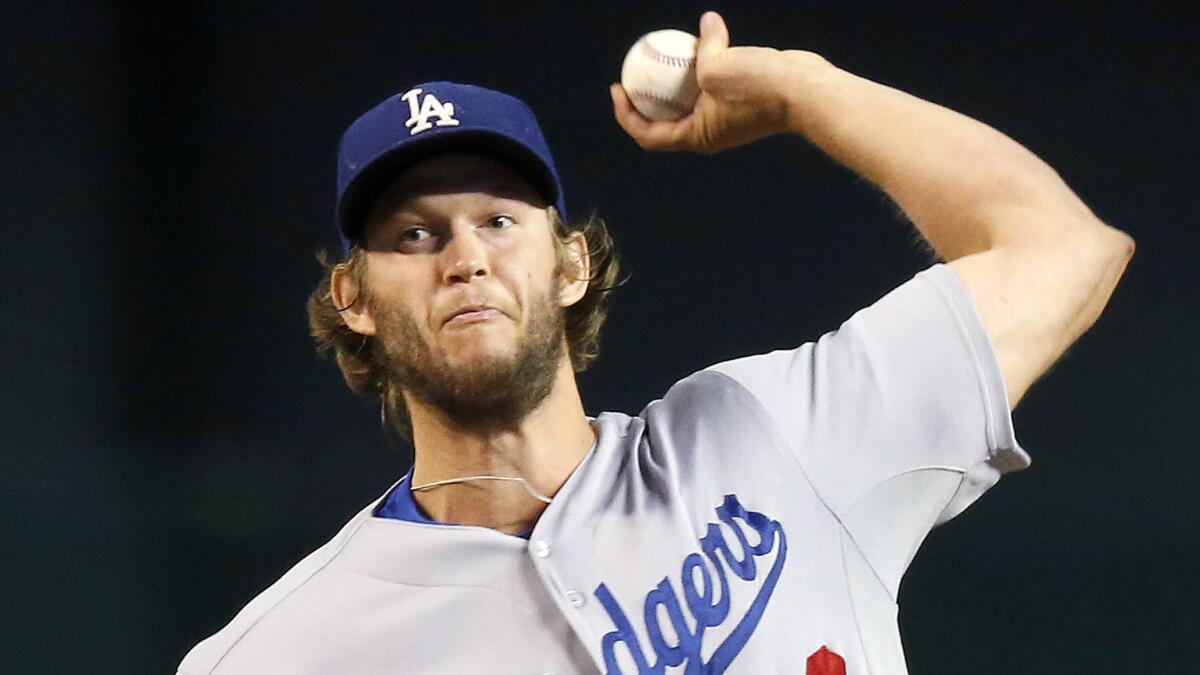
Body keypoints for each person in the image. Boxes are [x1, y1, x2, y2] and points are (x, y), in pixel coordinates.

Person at [179, 11, 1133, 674]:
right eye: (414, 235)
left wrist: (805, 89)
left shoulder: (769, 441)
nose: (464, 258)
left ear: (570, 264)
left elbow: (1065, 248)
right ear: (352, 296)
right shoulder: (278, 651)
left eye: (499, 221)